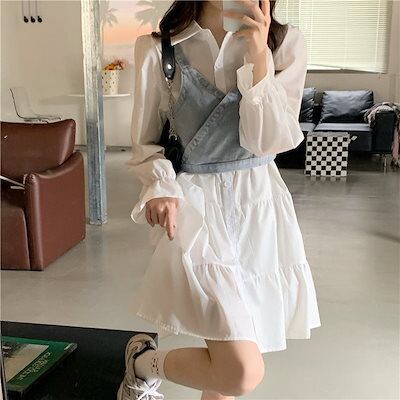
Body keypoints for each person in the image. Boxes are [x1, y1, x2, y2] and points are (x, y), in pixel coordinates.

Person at [118, 1, 322, 399]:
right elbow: (145, 145)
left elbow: (269, 142)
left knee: (226, 366)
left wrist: (258, 54)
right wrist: (160, 187)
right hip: (197, 213)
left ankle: (141, 364)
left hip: (259, 211)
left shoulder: (285, 44)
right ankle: (142, 364)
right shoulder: (159, 49)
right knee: (240, 370)